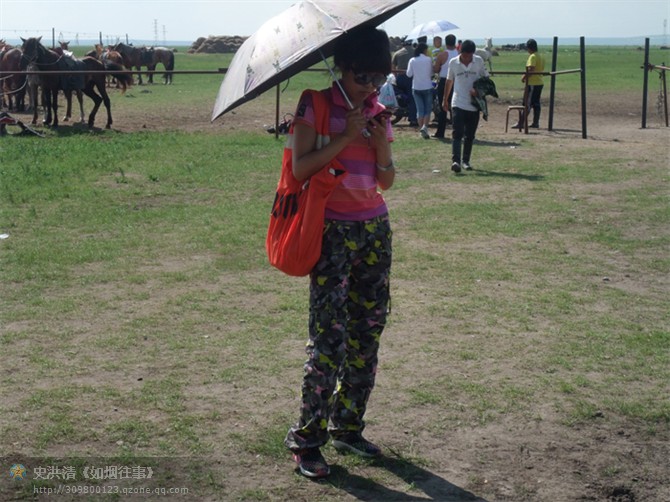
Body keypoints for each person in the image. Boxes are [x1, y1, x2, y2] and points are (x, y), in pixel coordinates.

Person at [284, 26, 396, 479]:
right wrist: (345, 137)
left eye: (378, 78)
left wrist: (381, 144)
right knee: (329, 339)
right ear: (342, 69)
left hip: (374, 230)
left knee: (367, 332)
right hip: (332, 232)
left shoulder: (378, 111)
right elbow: (300, 169)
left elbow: (386, 181)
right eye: (362, 77)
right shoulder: (314, 103)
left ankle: (348, 426)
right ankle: (307, 441)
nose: (370, 86)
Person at [442, 39, 489, 172]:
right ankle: (456, 161)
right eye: (465, 56)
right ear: (460, 52)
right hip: (458, 102)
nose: (467, 58)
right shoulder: (453, 63)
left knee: (470, 135)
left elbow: (486, 80)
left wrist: (478, 91)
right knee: (457, 132)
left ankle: (466, 161)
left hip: (474, 104)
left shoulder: (479, 61)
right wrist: (445, 99)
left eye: (469, 56)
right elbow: (449, 81)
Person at [432, 34, 459, 138]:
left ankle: (440, 132)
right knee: (455, 107)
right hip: (456, 81)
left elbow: (436, 69)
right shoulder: (459, 54)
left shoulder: (442, 55)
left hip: (444, 81)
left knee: (443, 106)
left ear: (446, 43)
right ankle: (457, 131)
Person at [406, 42, 434, 139]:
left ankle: (421, 129)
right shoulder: (428, 59)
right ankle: (425, 127)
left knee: (420, 110)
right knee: (427, 109)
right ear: (424, 50)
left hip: (416, 87)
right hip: (427, 86)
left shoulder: (412, 60)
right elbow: (431, 73)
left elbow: (409, 74)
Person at [518, 38, 545, 128]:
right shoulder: (540, 56)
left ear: (529, 48)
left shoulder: (532, 56)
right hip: (539, 82)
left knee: (527, 103)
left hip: (532, 83)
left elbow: (531, 69)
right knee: (536, 103)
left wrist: (524, 77)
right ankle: (535, 122)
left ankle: (521, 123)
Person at [392, 39, 417, 126]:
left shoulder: (397, 53)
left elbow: (393, 67)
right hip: (411, 78)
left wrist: (396, 76)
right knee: (412, 98)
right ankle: (413, 119)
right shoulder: (416, 52)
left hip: (400, 78)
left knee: (401, 94)